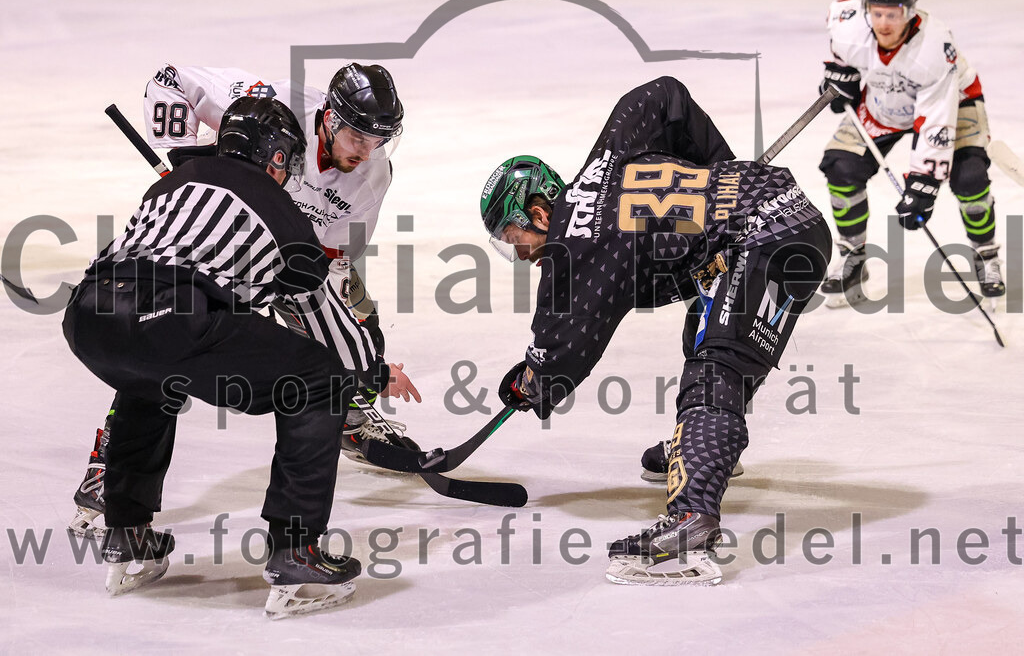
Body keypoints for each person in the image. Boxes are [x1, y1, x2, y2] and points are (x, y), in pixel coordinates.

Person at [62, 97, 418, 617]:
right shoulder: (283, 214)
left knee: (152, 378)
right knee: (319, 379)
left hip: (88, 315)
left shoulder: (170, 184)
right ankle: (296, 550)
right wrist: (370, 368)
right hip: (169, 315)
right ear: (276, 158)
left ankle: (127, 529)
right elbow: (321, 315)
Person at [480, 76, 831, 585]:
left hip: (766, 242)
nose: (520, 253)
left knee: (715, 368)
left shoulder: (572, 249)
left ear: (537, 213)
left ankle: (691, 520)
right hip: (785, 221)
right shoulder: (606, 160)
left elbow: (564, 345)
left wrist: (532, 381)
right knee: (706, 335)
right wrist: (720, 172)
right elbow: (664, 97)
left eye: (514, 239)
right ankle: (700, 449)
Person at [817, 0, 1006, 306]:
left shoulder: (934, 46)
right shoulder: (849, 24)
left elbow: (935, 121)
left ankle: (986, 254)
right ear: (867, 10)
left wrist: (923, 183)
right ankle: (852, 254)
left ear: (910, 12)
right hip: (884, 104)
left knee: (970, 178)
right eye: (877, 13)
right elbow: (840, 41)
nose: (884, 23)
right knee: (841, 166)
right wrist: (840, 72)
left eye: (894, 14)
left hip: (954, 102)